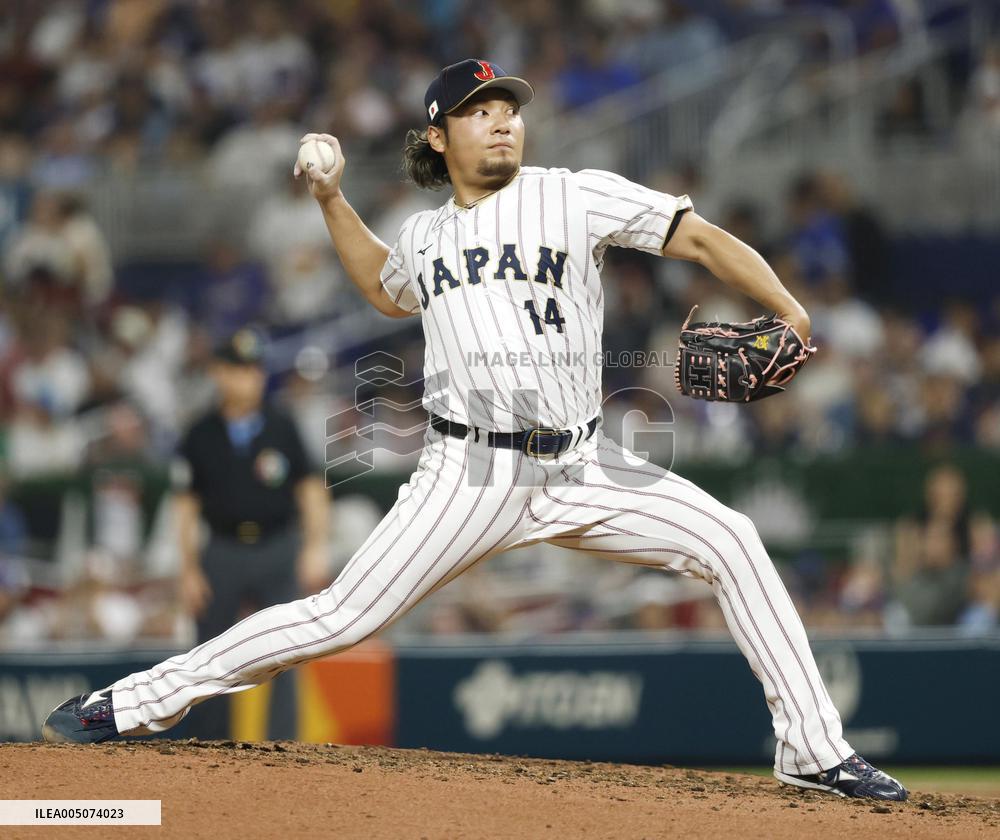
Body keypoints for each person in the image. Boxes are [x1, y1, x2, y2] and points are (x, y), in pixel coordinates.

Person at [43, 59, 906, 801]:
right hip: (466, 474)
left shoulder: (572, 195)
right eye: (478, 111)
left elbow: (704, 240)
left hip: (583, 464)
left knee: (732, 539)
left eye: (509, 109)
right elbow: (383, 287)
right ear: (437, 137)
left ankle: (813, 750)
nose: (502, 121)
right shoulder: (425, 236)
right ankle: (133, 703)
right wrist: (332, 197)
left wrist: (790, 308)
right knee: (338, 616)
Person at [172, 328, 331, 739]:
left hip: (276, 546)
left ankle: (283, 745)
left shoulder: (282, 425)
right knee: (210, 654)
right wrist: (187, 568)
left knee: (286, 649)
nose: (250, 378)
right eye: (241, 369)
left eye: (255, 370)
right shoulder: (200, 432)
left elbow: (311, 489)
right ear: (219, 373)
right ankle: (207, 746)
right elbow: (185, 504)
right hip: (222, 550)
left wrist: (315, 547)